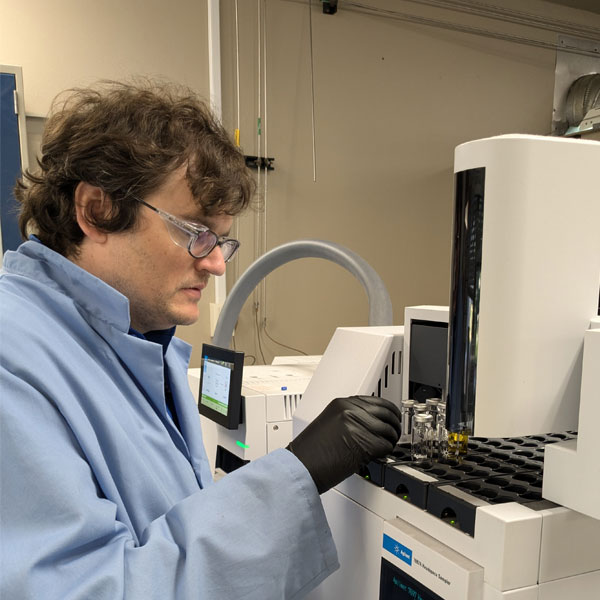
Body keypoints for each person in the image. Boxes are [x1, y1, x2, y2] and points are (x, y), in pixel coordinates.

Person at [0, 80, 401, 599]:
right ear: (96, 209)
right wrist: (293, 477)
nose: (215, 262)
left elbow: (165, 522)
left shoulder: (129, 337)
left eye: (221, 239)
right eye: (194, 231)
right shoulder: (14, 361)